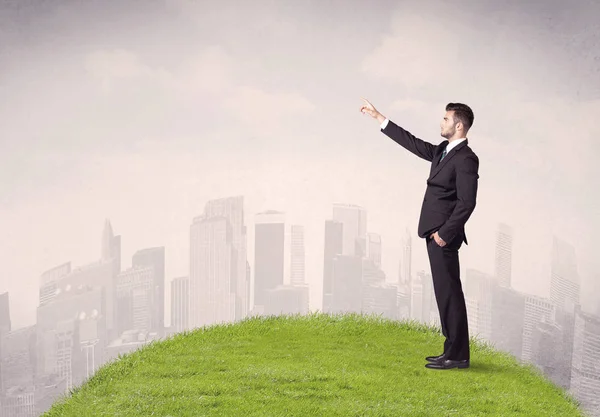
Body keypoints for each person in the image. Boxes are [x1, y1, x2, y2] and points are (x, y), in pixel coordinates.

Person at [360, 98, 479, 370]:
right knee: (443, 294)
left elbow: (467, 202)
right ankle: (451, 350)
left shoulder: (467, 159)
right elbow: (412, 143)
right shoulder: (442, 151)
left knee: (450, 294)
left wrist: (444, 234)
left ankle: (458, 356)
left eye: (446, 119)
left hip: (443, 237)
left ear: (459, 125)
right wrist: (379, 117)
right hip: (432, 233)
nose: (442, 122)